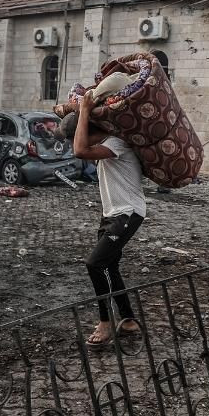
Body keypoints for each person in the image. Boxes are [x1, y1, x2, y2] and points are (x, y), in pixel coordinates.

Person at [72, 93, 146, 348]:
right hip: (112, 214)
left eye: (86, 132)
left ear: (97, 131)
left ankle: (105, 322)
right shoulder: (110, 145)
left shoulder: (117, 143)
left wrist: (83, 111)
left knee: (94, 264)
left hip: (128, 213)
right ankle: (128, 320)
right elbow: (82, 146)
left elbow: (80, 150)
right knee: (110, 267)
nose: (83, 138)